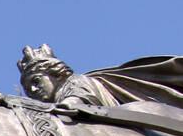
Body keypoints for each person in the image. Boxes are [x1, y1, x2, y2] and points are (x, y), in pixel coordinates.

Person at [18, 44, 183, 114]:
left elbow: (72, 105)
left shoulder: (76, 82)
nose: (33, 90)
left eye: (36, 81)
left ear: (55, 73)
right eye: (27, 90)